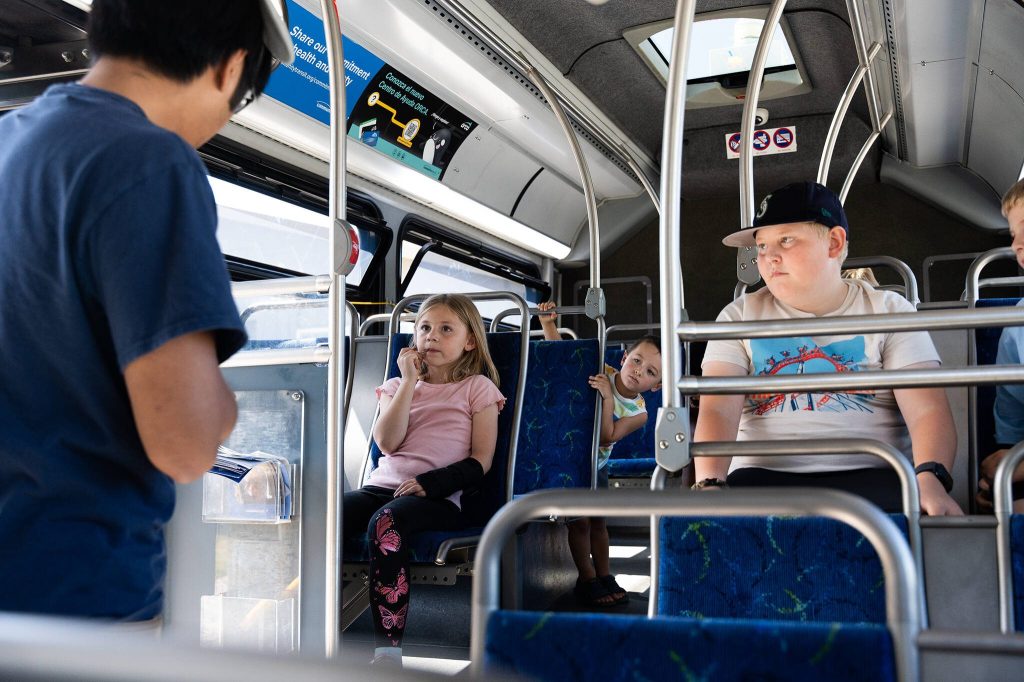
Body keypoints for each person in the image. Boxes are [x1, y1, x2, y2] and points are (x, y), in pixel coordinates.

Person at [0, 1, 293, 622]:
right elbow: (185, 444)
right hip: (73, 598)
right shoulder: (152, 161)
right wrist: (222, 404)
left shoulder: (9, 141)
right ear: (230, 67)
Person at [694, 181, 963, 516]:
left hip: (873, 472)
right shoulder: (738, 316)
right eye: (761, 246)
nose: (769, 256)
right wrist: (711, 482)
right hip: (764, 474)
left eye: (786, 239)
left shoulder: (887, 310)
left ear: (834, 243)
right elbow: (718, 410)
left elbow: (927, 411)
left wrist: (929, 479)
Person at [344, 294, 505, 667]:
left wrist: (433, 483)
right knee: (326, 515)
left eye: (445, 329)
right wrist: (408, 381)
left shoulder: (477, 388)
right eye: (424, 328)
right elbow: (387, 442)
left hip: (438, 497)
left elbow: (482, 460)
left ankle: (387, 652)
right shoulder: (396, 385)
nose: (431, 336)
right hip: (380, 487)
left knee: (386, 523)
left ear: (469, 341)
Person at [539, 302, 662, 607]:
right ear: (624, 358)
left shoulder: (640, 412)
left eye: (649, 372)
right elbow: (563, 359)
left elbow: (608, 435)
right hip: (572, 460)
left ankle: (605, 575)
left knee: (598, 523)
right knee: (579, 523)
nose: (637, 372)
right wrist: (548, 325)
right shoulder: (599, 370)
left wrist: (607, 397)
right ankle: (587, 577)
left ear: (656, 386)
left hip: (598, 464)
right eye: (636, 361)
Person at [977, 179, 1024, 512]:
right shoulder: (1018, 321)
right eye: (1012, 235)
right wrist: (1006, 465)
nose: (1017, 245)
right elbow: (1011, 412)